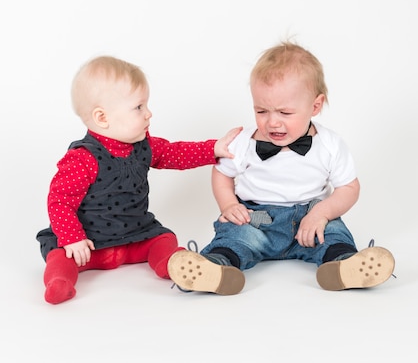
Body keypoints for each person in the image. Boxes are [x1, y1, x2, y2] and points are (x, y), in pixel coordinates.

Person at [168, 41, 395, 294]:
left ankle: (344, 265)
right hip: (255, 219)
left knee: (332, 233)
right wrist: (229, 206)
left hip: (311, 219)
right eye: (261, 110)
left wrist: (322, 213)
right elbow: (222, 173)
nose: (272, 122)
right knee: (236, 237)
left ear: (315, 106)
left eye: (285, 112)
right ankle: (216, 268)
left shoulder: (329, 144)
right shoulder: (243, 142)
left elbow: (349, 187)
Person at [36, 55, 241, 304]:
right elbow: (59, 201)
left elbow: (175, 153)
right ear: (102, 118)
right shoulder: (82, 158)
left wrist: (213, 149)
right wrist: (72, 238)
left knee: (164, 239)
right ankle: (59, 282)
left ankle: (174, 265)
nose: (149, 114)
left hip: (136, 236)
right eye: (139, 107)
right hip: (88, 245)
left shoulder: (143, 146)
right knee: (60, 255)